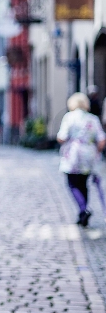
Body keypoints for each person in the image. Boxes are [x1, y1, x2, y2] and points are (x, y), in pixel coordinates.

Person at [57, 92, 106, 227]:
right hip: (88, 155)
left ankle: (83, 209)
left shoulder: (69, 117)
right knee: (84, 184)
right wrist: (95, 152)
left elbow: (62, 136)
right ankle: (82, 212)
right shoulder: (93, 119)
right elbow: (102, 140)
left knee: (72, 184)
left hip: (73, 155)